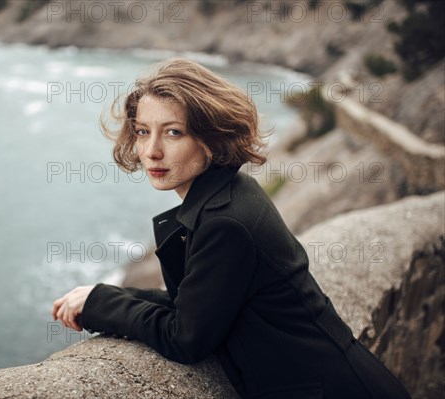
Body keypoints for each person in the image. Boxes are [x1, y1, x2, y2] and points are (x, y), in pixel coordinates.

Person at [51, 57, 411, 399]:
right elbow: (198, 303)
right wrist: (107, 295)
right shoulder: (231, 191)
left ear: (211, 138)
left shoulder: (224, 224)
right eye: (143, 132)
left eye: (173, 133)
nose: (151, 151)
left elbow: (184, 337)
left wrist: (101, 303)